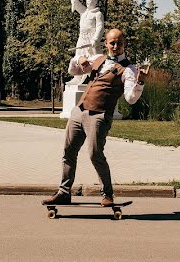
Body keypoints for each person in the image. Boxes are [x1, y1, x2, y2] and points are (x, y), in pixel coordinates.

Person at [43, 29, 149, 207]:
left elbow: (131, 99)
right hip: (79, 111)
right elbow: (74, 71)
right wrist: (79, 60)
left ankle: (107, 194)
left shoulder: (128, 70)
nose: (116, 46)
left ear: (124, 44)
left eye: (120, 43)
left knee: (95, 154)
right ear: (106, 44)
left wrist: (140, 82)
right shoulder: (98, 59)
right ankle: (63, 192)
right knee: (68, 152)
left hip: (99, 116)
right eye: (112, 43)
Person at [68, 0, 104, 85]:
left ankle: (92, 77)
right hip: (82, 37)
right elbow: (75, 1)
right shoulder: (83, 11)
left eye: (91, 1)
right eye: (88, 1)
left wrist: (96, 39)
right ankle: (77, 77)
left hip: (91, 38)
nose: (88, 3)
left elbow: (100, 26)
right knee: (78, 55)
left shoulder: (97, 14)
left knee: (93, 58)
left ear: (95, 3)